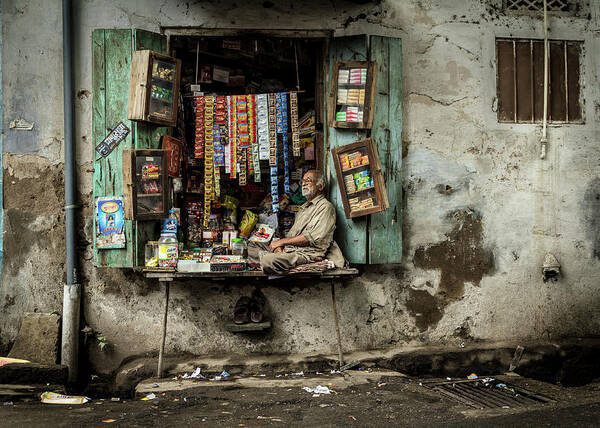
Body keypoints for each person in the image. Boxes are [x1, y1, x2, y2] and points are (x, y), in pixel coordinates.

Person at [248, 170, 340, 274]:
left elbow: (309, 238)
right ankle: (276, 259)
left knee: (268, 260)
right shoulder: (304, 208)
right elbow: (292, 236)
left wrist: (281, 242)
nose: (304, 184)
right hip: (289, 250)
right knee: (252, 245)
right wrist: (279, 248)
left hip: (305, 254)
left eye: (308, 181)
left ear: (321, 186)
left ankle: (272, 262)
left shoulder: (325, 207)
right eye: (303, 181)